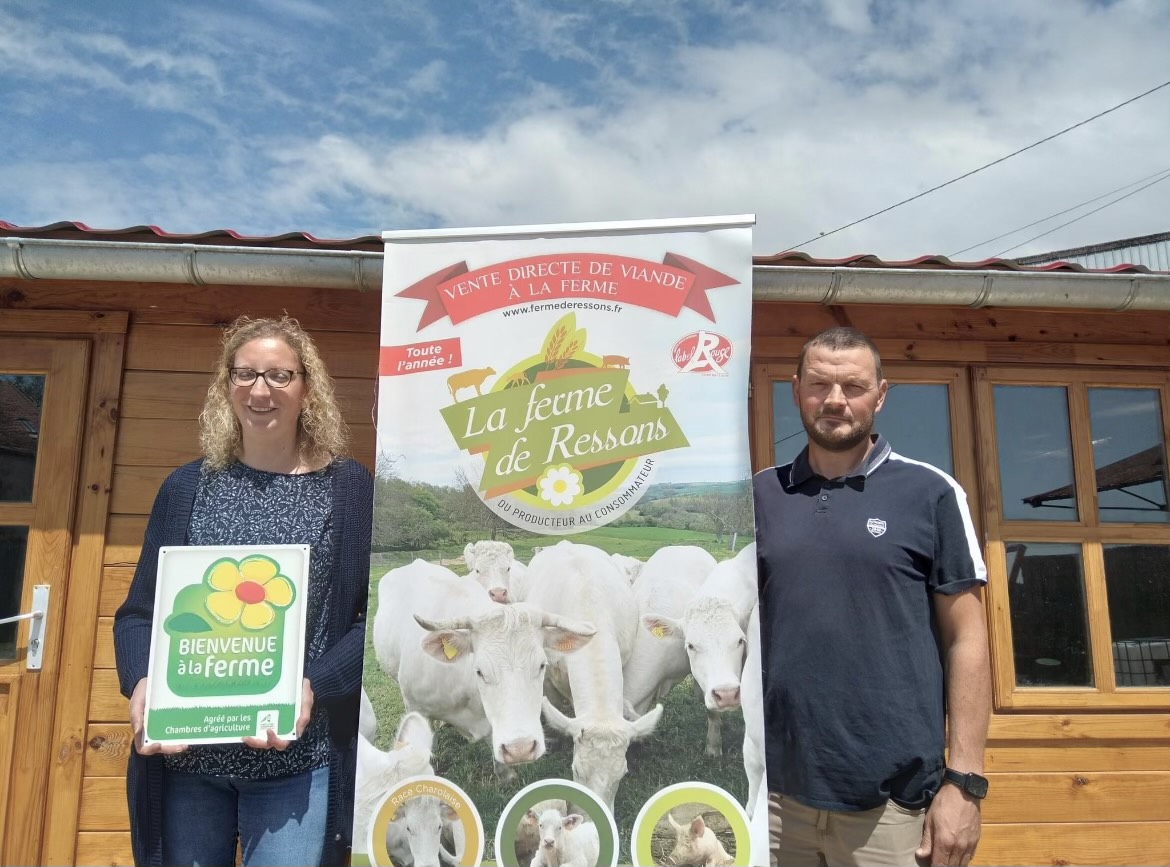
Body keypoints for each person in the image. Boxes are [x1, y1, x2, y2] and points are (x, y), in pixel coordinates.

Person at [114, 315, 372, 867]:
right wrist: (139, 685)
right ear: (225, 386)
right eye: (245, 374)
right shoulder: (186, 488)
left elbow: (365, 621)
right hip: (189, 768)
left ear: (308, 388)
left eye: (280, 376)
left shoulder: (350, 490)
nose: (260, 391)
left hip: (296, 764)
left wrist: (314, 687)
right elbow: (138, 613)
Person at [753, 327, 991, 867]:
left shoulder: (931, 493)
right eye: (819, 385)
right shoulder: (760, 496)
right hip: (772, 802)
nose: (835, 400)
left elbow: (968, 639)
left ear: (881, 394)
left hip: (892, 807)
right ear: (795, 390)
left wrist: (965, 783)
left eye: (853, 386)